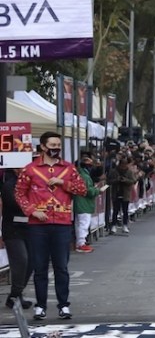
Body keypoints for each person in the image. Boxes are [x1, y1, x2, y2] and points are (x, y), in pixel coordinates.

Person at [15, 131, 86, 320]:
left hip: (62, 224)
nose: (56, 148)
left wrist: (63, 182)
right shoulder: (30, 169)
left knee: (61, 267)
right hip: (38, 226)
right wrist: (32, 211)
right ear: (43, 147)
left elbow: (82, 189)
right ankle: (40, 306)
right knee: (40, 268)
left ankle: (64, 305)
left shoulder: (69, 169)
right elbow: (19, 193)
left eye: (58, 145)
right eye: (52, 145)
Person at [0, 167, 33, 310]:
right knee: (21, 260)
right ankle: (14, 295)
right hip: (13, 229)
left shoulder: (33, 184)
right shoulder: (9, 185)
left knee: (31, 262)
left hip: (29, 228)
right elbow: (15, 204)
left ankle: (16, 294)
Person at [72, 154, 102, 253]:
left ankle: (80, 243)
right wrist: (97, 190)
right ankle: (81, 243)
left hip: (80, 203)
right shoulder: (85, 176)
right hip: (84, 203)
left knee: (79, 224)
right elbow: (88, 191)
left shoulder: (80, 175)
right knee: (83, 224)